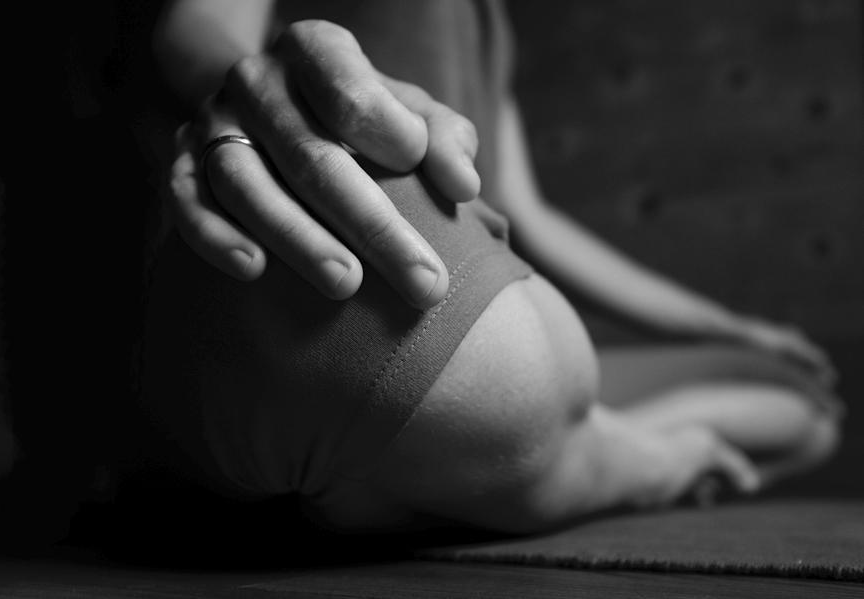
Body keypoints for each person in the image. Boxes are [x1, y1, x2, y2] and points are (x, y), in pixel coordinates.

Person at [140, 0, 842, 534]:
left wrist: (730, 327)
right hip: (349, 243)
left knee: (807, 411)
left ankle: (488, 451)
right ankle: (641, 457)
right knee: (524, 390)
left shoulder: (488, 25)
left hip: (453, 347)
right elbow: (194, 22)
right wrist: (247, 87)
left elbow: (530, 218)